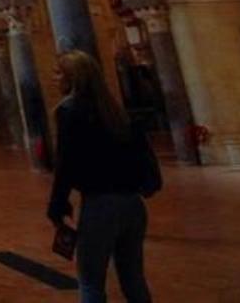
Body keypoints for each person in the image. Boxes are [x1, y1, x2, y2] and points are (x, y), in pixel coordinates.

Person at [48, 50, 160, 303]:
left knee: (90, 284)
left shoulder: (69, 111)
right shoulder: (116, 111)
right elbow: (142, 154)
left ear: (72, 78)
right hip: (133, 205)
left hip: (100, 206)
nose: (54, 78)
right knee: (133, 280)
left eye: (58, 73)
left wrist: (57, 207)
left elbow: (65, 165)